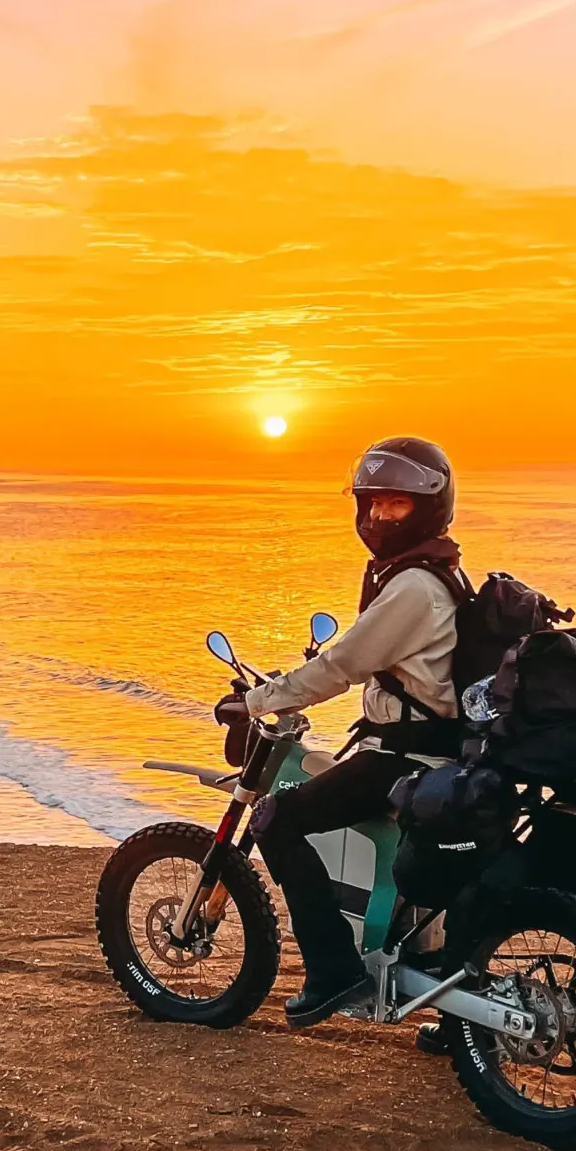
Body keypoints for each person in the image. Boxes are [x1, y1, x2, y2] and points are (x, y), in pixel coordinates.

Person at [243, 436, 468, 1027]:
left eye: (394, 505)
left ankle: (332, 972)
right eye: (371, 504)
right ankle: (455, 1011)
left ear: (428, 505)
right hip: (440, 751)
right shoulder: (434, 573)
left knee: (277, 821)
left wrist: (258, 699)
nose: (376, 517)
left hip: (408, 754)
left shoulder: (414, 587)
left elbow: (341, 665)